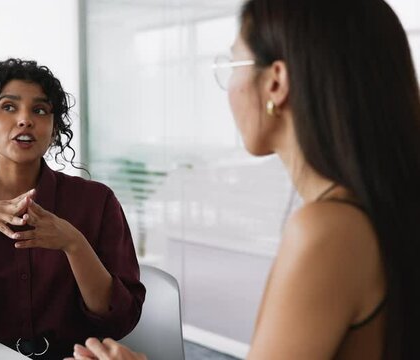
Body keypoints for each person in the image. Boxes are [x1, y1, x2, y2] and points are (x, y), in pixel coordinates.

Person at [70, 0, 420, 359]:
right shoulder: (375, 207)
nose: (230, 86)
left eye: (233, 63)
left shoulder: (327, 230)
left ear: (275, 82)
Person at [0, 58, 145, 359]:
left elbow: (119, 319)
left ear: (54, 127)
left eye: (40, 110)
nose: (25, 120)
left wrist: (74, 243)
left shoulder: (97, 203)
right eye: (9, 107)